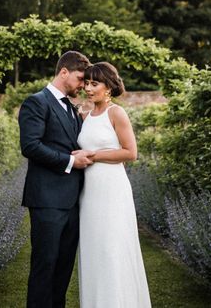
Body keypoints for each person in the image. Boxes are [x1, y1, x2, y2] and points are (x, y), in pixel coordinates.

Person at [19, 50, 94, 308]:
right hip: (47, 199)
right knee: (45, 266)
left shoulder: (72, 108)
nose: (83, 85)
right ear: (64, 72)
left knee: (63, 269)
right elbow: (30, 146)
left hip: (72, 201)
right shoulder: (36, 102)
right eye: (80, 78)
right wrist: (71, 161)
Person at [77, 62, 152, 307]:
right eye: (86, 83)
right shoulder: (85, 116)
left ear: (108, 86)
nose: (88, 88)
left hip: (112, 190)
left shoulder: (116, 113)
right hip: (88, 193)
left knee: (111, 250)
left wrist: (93, 156)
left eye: (94, 83)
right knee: (94, 250)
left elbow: (130, 153)